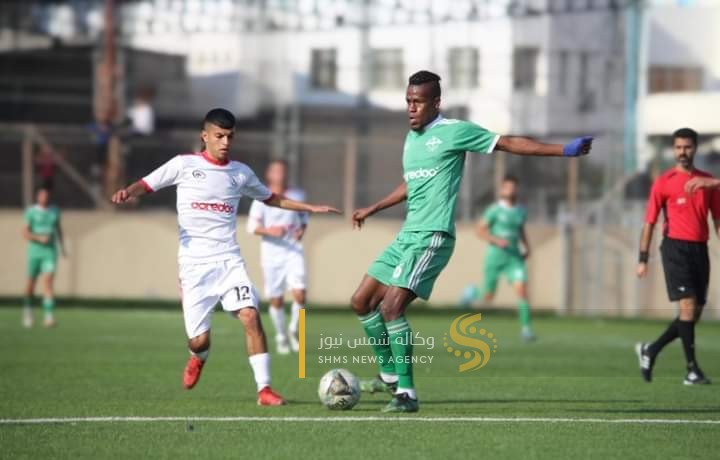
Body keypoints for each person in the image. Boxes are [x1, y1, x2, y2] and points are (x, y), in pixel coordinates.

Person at [350, 70, 592, 413]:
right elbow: (411, 184)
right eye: (408, 101)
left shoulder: (454, 131)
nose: (411, 108)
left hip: (432, 236)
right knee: (361, 301)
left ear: (436, 103)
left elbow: (507, 143)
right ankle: (389, 375)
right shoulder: (411, 139)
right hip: (406, 235)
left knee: (391, 308)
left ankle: (406, 394)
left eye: (418, 102)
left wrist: (563, 150)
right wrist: (374, 208)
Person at [111, 108, 339, 405]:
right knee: (199, 340)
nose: (225, 142)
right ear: (204, 136)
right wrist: (127, 192)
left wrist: (309, 208)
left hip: (229, 261)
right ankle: (198, 356)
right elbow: (147, 184)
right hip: (194, 266)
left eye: (230, 136)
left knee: (251, 315)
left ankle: (264, 389)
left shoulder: (240, 173)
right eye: (219, 136)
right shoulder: (183, 165)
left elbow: (271, 198)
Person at [635, 127, 718, 385]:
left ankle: (651, 350)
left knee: (693, 313)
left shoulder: (708, 182)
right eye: (679, 147)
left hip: (699, 249)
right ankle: (692, 370)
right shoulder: (664, 182)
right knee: (687, 305)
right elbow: (649, 223)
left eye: (687, 147)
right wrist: (643, 258)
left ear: (695, 148)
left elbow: (718, 220)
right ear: (673, 149)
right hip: (675, 248)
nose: (683, 152)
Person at [461, 175, 535, 341]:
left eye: (513, 187)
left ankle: (526, 330)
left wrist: (527, 247)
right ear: (502, 189)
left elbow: (521, 230)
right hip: (495, 256)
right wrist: (495, 240)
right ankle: (472, 292)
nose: (510, 190)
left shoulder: (520, 211)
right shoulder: (494, 210)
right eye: (507, 187)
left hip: (514, 257)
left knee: (522, 291)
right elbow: (479, 230)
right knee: (488, 297)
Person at [247, 160, 308, 355]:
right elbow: (252, 227)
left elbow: (303, 218)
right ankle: (281, 336)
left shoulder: (297, 196)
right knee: (277, 300)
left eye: (283, 170)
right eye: (276, 170)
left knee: (300, 293)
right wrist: (270, 230)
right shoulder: (261, 198)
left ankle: (294, 330)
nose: (280, 174)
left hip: (293, 251)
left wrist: (301, 230)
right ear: (269, 174)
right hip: (272, 255)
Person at [23, 187, 66, 328]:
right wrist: (39, 238)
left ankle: (49, 317)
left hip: (50, 252)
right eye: (42, 195)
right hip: (35, 252)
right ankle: (28, 311)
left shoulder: (54, 211)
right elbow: (25, 233)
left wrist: (62, 247)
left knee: (48, 282)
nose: (44, 198)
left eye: (46, 195)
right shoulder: (31, 212)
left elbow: (58, 229)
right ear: (38, 197)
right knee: (31, 284)